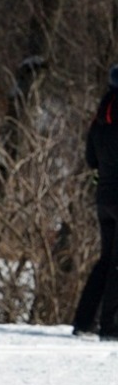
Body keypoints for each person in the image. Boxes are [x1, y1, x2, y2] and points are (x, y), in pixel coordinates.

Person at [71, 65, 118, 341]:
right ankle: (111, 328)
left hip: (104, 198)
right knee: (116, 264)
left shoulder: (101, 118)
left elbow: (91, 160)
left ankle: (84, 321)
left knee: (106, 261)